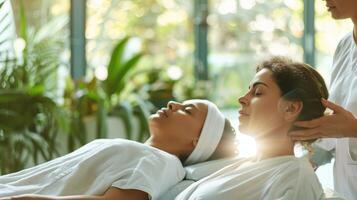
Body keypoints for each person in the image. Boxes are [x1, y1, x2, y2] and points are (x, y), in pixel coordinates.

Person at [0, 99, 236, 200]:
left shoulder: (163, 162)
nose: (174, 104)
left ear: (197, 140)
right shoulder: (145, 154)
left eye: (187, 110)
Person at [175, 57, 326, 200]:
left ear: (291, 108)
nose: (242, 99)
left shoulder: (295, 175)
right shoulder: (245, 164)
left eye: (258, 92)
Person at [289, 0, 357, 199]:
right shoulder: (345, 46)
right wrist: (309, 156)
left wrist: (352, 129)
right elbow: (337, 129)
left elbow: (346, 127)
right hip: (346, 189)